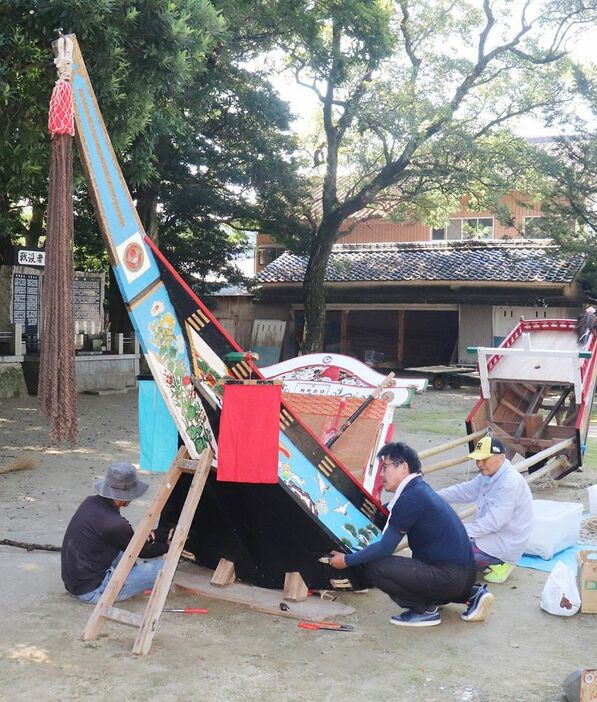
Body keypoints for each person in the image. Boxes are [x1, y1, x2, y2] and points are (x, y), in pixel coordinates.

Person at [329, 442, 493, 627]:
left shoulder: (411, 497)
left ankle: (424, 609)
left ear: (403, 467)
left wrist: (347, 560)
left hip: (449, 578)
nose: (381, 474)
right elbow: (386, 512)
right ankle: (471, 594)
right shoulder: (417, 489)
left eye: (385, 467)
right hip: (462, 576)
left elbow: (385, 547)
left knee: (375, 566)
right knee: (402, 563)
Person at [61, 462, 169, 604]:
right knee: (163, 568)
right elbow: (142, 552)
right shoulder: (115, 523)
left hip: (74, 583)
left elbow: (128, 541)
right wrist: (168, 546)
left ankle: (130, 577)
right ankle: (124, 584)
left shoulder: (90, 502)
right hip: (93, 590)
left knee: (121, 548)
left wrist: (153, 536)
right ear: (124, 495)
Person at [437, 435, 533, 584]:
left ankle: (502, 563)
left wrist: (457, 532)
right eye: (477, 460)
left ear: (500, 458)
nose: (480, 464)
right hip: (489, 536)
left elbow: (493, 522)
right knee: (445, 547)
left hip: (504, 543)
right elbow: (463, 491)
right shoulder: (488, 476)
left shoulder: (510, 483)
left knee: (448, 553)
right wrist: (432, 496)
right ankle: (485, 561)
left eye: (484, 459)